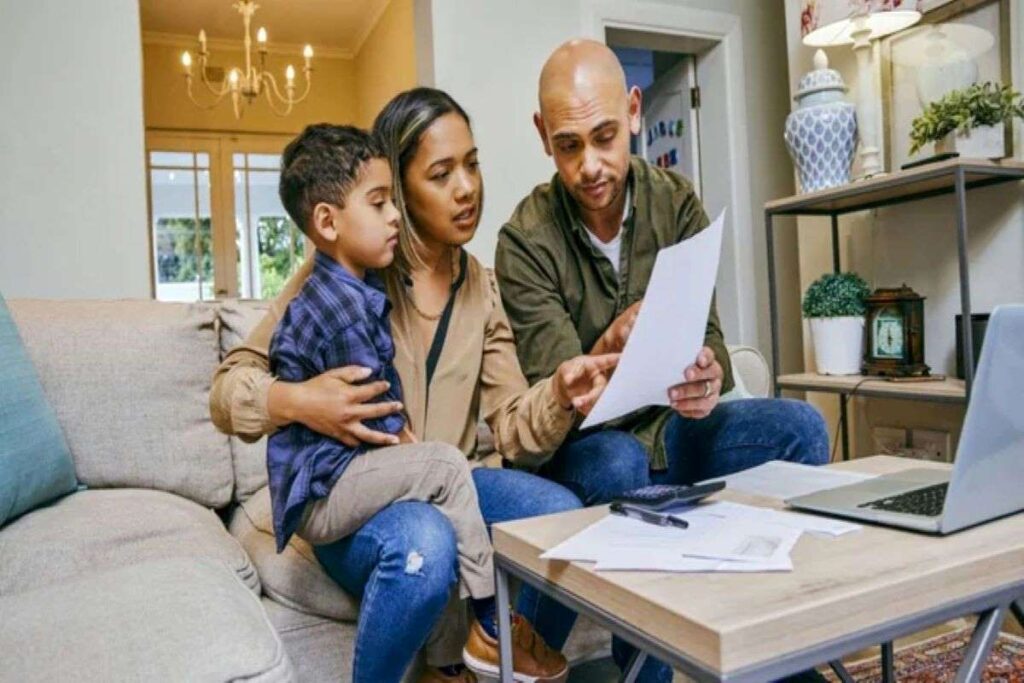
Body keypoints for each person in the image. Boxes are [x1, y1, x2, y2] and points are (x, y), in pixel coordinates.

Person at [210, 89, 618, 683]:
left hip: (449, 476)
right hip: (359, 495)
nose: (467, 188)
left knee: (560, 518)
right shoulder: (346, 267)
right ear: (398, 189)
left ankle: (495, 661)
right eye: (442, 173)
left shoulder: (481, 285)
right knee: (426, 542)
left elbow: (509, 421)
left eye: (472, 164)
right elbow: (228, 391)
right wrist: (299, 400)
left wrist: (558, 392)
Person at [494, 40, 831, 683]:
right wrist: (606, 347)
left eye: (604, 136)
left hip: (678, 430)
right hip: (600, 447)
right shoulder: (524, 240)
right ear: (543, 137)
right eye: (569, 146)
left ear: (634, 111)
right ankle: (642, 668)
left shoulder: (676, 201)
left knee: (802, 428)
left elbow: (715, 345)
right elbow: (557, 393)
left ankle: (773, 647)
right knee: (620, 462)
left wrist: (708, 377)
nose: (590, 165)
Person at [266, 123, 503, 643]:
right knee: (442, 466)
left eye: (393, 201)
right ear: (327, 222)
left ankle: (456, 657)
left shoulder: (361, 285)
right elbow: (372, 408)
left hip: (334, 478)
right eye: (379, 204)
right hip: (326, 490)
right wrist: (403, 438)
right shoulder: (340, 308)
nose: (394, 215)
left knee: (438, 475)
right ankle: (488, 619)